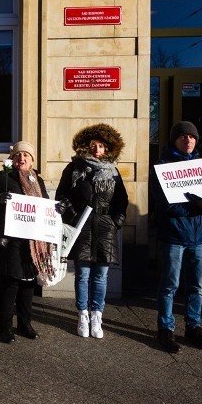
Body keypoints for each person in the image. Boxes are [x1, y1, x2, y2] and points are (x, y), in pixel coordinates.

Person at [151, 121, 202, 354]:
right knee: (170, 285)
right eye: (183, 136)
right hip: (174, 235)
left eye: (192, 137)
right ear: (174, 140)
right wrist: (196, 208)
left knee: (197, 286)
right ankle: (165, 328)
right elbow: (165, 204)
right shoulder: (163, 166)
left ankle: (193, 327)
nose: (188, 140)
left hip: (200, 236)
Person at [55, 124, 128, 340]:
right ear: (86, 147)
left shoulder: (113, 171)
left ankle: (97, 315)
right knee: (83, 274)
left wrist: (117, 221)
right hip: (82, 226)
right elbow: (61, 196)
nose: (97, 149)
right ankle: (82, 314)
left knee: (101, 276)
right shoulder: (74, 169)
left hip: (105, 226)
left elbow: (121, 200)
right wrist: (71, 214)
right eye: (93, 145)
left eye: (101, 146)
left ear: (107, 149)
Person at [0, 141, 50, 343]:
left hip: (32, 241)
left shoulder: (36, 180)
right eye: (18, 155)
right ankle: (4, 326)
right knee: (11, 282)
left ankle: (25, 323)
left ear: (32, 160)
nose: (21, 159)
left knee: (29, 283)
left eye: (26, 156)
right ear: (12, 159)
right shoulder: (2, 177)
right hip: (12, 238)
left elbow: (46, 203)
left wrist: (59, 209)